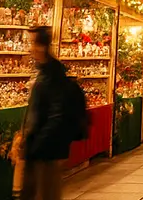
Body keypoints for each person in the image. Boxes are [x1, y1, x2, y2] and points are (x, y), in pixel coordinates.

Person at [20, 26, 87, 200]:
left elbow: (57, 115)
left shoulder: (53, 74)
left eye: (32, 43)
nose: (30, 48)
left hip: (46, 151)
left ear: (42, 46)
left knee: (45, 193)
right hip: (39, 148)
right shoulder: (43, 71)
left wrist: (38, 144)